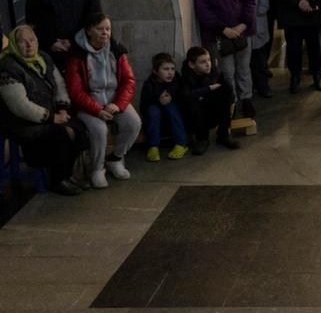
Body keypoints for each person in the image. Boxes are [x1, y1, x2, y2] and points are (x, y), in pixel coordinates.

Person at [0, 25, 87, 196]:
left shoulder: (44, 58)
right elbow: (20, 106)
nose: (29, 45)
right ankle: (58, 179)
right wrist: (51, 117)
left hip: (52, 116)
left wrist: (62, 109)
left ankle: (68, 174)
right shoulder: (7, 68)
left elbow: (60, 85)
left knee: (78, 128)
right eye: (22, 42)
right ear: (13, 44)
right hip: (24, 124)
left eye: (32, 40)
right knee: (61, 134)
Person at [65, 13, 140, 189]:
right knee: (98, 129)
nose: (105, 33)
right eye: (100, 29)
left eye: (108, 29)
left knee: (133, 123)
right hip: (89, 103)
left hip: (114, 100)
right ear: (89, 30)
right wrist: (97, 110)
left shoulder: (116, 50)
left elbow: (129, 81)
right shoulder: (77, 55)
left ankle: (116, 158)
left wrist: (118, 104)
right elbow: (75, 90)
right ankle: (97, 169)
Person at [193, 0, 257, 115]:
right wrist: (223, 29)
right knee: (227, 72)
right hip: (219, 36)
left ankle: (247, 99)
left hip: (242, 31)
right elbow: (203, 9)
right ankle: (232, 103)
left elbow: (249, 0)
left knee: (244, 69)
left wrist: (243, 24)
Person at [178, 46, 238, 155]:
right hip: (196, 118)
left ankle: (223, 135)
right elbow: (186, 96)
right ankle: (202, 139)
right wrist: (208, 89)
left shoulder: (214, 72)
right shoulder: (186, 77)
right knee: (193, 102)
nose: (208, 64)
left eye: (209, 60)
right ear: (192, 65)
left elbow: (229, 91)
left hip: (213, 111)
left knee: (226, 95)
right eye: (203, 62)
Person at [139, 53, 188, 162]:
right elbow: (143, 107)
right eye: (165, 69)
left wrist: (172, 97)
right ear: (155, 71)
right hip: (157, 122)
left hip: (174, 120)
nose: (170, 72)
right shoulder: (149, 84)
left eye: (172, 69)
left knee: (171, 107)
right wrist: (157, 100)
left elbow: (184, 99)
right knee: (153, 110)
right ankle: (153, 146)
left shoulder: (177, 80)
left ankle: (181, 143)